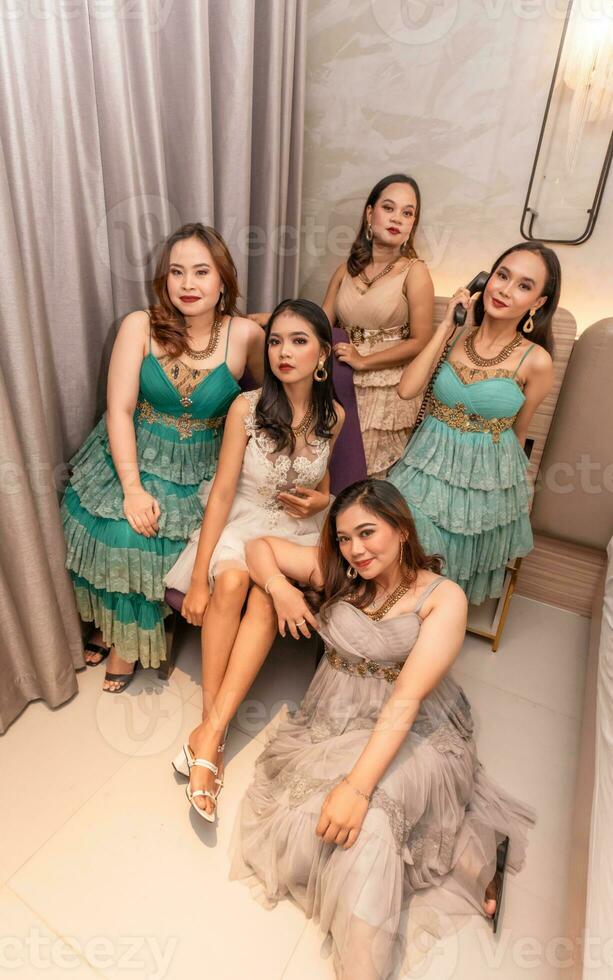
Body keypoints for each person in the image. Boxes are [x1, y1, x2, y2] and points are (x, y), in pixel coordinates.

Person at [231, 479, 534, 979]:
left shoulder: (444, 598)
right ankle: (466, 849)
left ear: (400, 528)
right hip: (333, 721)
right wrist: (280, 589)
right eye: (345, 537)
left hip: (416, 726)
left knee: (366, 825)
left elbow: (407, 699)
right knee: (314, 832)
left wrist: (356, 787)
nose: (355, 549)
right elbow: (257, 546)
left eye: (367, 532)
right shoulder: (338, 571)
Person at [61, 223, 264, 691]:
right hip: (134, 453)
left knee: (159, 542)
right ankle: (114, 627)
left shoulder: (247, 335)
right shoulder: (140, 324)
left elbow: (264, 396)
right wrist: (132, 488)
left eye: (200, 272)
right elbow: (120, 409)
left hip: (200, 469)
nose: (188, 285)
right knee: (115, 526)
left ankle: (126, 643)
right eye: (176, 272)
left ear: (222, 281)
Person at [166, 299, 345, 820]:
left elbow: (324, 486)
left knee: (266, 602)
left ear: (322, 355)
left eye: (298, 341)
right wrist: (197, 578)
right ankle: (213, 733)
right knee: (229, 585)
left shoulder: (332, 415)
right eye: (276, 340)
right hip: (240, 520)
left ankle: (207, 738)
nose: (284, 351)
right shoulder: (246, 408)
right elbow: (222, 493)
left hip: (293, 531)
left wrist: (326, 501)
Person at [388, 241, 559, 605]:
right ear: (487, 280)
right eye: (502, 275)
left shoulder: (537, 361)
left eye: (524, 286)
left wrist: (507, 497)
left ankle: (429, 628)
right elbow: (407, 389)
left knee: (446, 571)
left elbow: (519, 431)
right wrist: (447, 325)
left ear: (538, 303)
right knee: (402, 543)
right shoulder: (455, 336)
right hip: (427, 464)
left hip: (484, 478)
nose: (505, 290)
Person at [322, 173, 434, 478]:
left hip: (386, 384)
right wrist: (273, 319)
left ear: (413, 224)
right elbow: (320, 323)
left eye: (407, 212)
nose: (397, 218)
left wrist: (365, 361)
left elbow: (421, 340)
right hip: (341, 374)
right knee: (330, 469)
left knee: (364, 475)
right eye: (389, 208)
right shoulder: (345, 269)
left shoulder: (415, 271)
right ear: (370, 214)